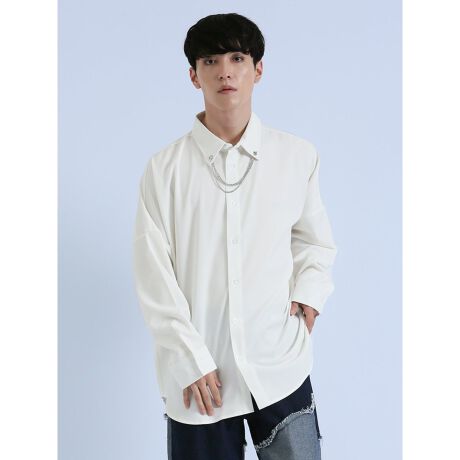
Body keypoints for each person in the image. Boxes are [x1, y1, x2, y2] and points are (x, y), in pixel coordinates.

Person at [133, 12, 338, 460]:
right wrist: (188, 357)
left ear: (257, 69)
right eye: (210, 61)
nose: (225, 71)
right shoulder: (165, 170)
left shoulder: (296, 156)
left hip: (279, 364)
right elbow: (153, 275)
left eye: (237, 58)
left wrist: (310, 294)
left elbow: (313, 241)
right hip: (199, 379)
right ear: (194, 75)